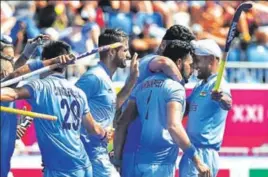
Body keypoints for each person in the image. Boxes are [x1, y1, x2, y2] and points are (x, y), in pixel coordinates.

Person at [0, 40, 107, 177]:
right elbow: (94, 129)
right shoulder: (78, 92)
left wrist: (41, 62)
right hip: (84, 166)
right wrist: (105, 134)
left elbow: (9, 86)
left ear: (45, 60)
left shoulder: (39, 87)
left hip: (60, 170)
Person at [115, 40, 211, 177]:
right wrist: (197, 161)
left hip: (134, 164)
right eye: (190, 64)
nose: (193, 69)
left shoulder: (142, 85)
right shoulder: (175, 87)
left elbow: (122, 123)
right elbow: (173, 126)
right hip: (159, 166)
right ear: (178, 63)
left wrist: (117, 160)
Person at [75, 28, 139, 177]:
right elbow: (69, 108)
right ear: (111, 52)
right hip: (88, 153)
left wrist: (132, 81)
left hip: (98, 152)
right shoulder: (94, 77)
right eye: (125, 50)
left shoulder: (105, 77)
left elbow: (111, 107)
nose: (129, 55)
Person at [179, 39, 232, 177]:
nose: (194, 65)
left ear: (210, 60)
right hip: (192, 152)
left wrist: (220, 98)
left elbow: (228, 104)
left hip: (204, 154)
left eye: (197, 59)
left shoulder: (219, 85)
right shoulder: (200, 85)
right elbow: (184, 109)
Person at [0, 34, 49, 177]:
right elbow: (15, 75)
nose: (11, 63)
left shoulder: (10, 92)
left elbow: (13, 75)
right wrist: (29, 54)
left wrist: (12, 132)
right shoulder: (5, 88)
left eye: (12, 57)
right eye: (7, 58)